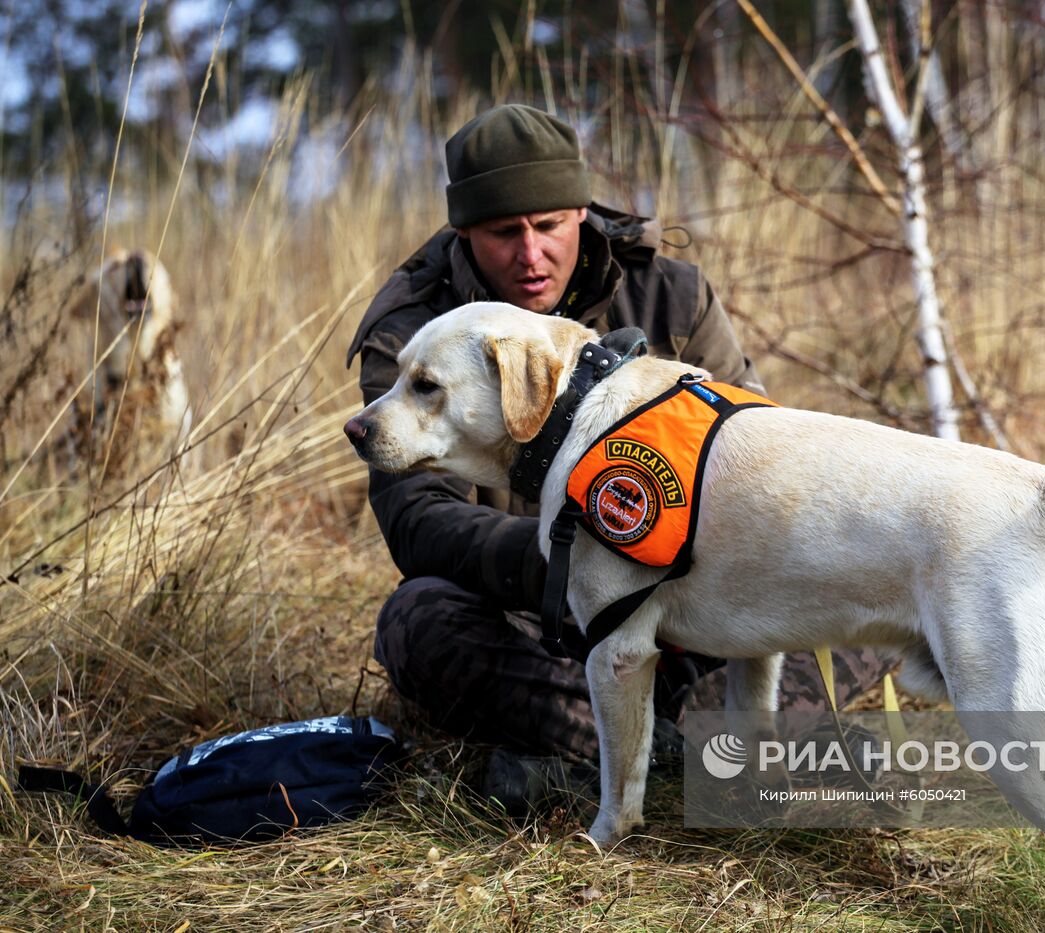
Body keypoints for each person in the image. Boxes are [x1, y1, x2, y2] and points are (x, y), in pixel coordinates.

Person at [346, 104, 890, 812]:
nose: (531, 253)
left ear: (580, 211)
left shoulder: (673, 294)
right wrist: (579, 560)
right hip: (533, 624)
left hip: (699, 597)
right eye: (504, 232)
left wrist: (674, 557)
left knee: (856, 612)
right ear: (462, 232)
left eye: (549, 225)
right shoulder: (411, 332)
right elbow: (415, 519)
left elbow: (762, 450)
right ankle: (684, 757)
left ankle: (618, 762)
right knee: (418, 622)